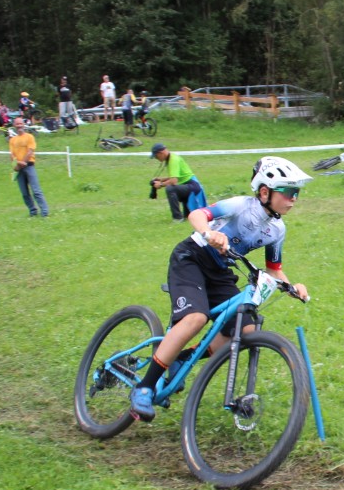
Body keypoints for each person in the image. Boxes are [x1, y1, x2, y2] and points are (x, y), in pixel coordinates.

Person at [129, 157, 312, 421]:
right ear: (264, 192)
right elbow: (196, 215)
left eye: (297, 192)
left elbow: (274, 269)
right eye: (288, 191)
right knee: (196, 318)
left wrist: (293, 286)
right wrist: (208, 233)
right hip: (192, 258)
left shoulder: (277, 229)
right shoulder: (241, 205)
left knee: (246, 329)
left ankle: (182, 358)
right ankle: (144, 387)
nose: (293, 198)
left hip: (221, 271)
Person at [150, 143, 205, 222]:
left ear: (161, 153)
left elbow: (174, 181)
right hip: (190, 186)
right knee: (189, 217)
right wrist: (161, 179)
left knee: (170, 189)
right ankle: (185, 215)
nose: (156, 158)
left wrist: (161, 184)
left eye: (156, 156)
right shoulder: (171, 157)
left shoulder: (173, 160)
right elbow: (176, 177)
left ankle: (177, 218)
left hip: (193, 187)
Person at [9, 117, 49, 217]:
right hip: (19, 169)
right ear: (14, 125)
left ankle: (44, 212)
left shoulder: (29, 137)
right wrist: (18, 164)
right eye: (17, 124)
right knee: (24, 193)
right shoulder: (12, 140)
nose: (19, 126)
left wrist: (23, 162)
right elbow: (12, 155)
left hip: (29, 166)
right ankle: (32, 211)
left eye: (20, 123)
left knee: (36, 191)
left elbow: (30, 151)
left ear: (23, 125)